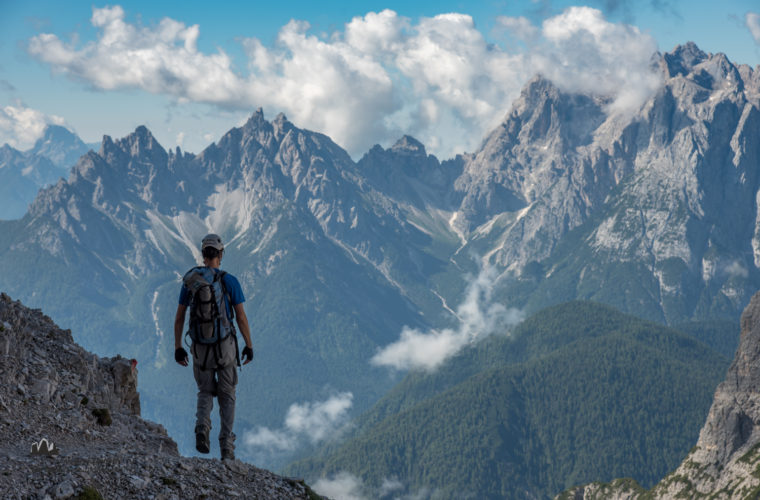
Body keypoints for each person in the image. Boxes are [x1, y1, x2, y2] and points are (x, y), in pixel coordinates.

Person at [173, 233, 254, 461]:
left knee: (205, 391)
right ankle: (227, 447)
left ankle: (202, 428)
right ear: (220, 254)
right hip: (225, 348)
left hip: (199, 348)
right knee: (227, 394)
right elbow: (241, 317)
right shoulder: (229, 281)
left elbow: (179, 318)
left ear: (203, 254)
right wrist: (248, 345)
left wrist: (178, 347)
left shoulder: (191, 281)